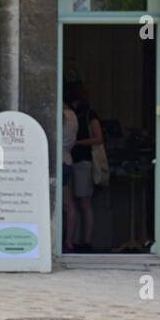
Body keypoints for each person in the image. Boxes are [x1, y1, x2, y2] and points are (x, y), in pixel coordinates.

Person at [66, 83, 103, 252]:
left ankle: (86, 241)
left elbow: (98, 138)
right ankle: (75, 240)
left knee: (83, 202)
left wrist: (77, 143)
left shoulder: (88, 114)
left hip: (83, 161)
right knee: (76, 203)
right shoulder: (73, 114)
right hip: (73, 160)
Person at [61, 96, 78, 252]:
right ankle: (69, 241)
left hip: (57, 161)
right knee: (69, 204)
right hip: (68, 159)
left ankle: (56, 241)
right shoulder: (73, 115)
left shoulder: (62, 115)